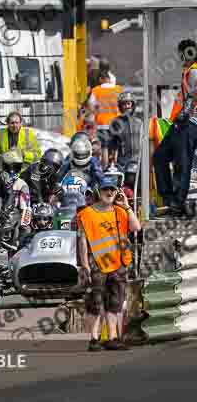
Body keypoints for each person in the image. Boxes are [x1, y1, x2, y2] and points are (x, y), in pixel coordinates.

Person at [77, 176, 141, 351]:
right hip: (96, 263)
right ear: (99, 191)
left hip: (118, 264)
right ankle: (94, 339)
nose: (110, 193)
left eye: (113, 190)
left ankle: (112, 337)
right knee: (95, 302)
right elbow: (82, 241)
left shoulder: (120, 211)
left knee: (115, 302)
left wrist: (127, 205)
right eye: (106, 190)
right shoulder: (86, 214)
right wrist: (85, 265)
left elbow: (136, 228)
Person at [153, 39, 197, 216]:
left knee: (182, 163)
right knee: (160, 156)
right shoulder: (188, 71)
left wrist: (184, 115)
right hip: (181, 123)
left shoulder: (194, 72)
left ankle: (178, 203)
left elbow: (193, 96)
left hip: (189, 123)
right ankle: (169, 198)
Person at [87, 70, 124, 164]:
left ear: (101, 79)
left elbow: (91, 104)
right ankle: (114, 166)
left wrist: (95, 113)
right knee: (115, 147)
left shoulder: (96, 90)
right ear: (109, 78)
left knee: (104, 147)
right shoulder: (118, 89)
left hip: (102, 124)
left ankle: (105, 169)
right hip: (117, 124)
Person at [108, 91, 143, 171]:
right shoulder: (115, 122)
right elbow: (112, 145)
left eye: (129, 104)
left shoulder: (140, 122)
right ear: (120, 106)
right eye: (124, 104)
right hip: (122, 163)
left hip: (139, 162)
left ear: (133, 105)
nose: (127, 106)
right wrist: (111, 162)